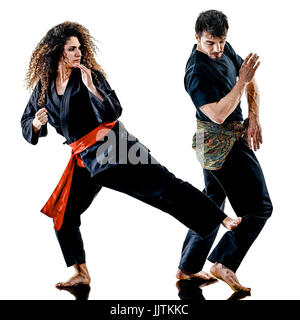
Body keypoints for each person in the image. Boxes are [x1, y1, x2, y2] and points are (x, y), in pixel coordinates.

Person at [21, 21, 241, 288]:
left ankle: (220, 218)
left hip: (116, 146)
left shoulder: (89, 76)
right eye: (71, 48)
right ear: (58, 52)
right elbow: (26, 121)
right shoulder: (44, 88)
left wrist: (93, 89)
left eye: (79, 47)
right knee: (64, 215)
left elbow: (114, 111)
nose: (78, 53)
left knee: (163, 185)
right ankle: (81, 272)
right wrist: (35, 124)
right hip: (84, 160)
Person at [176, 10, 273, 294]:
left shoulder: (224, 49)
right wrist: (241, 82)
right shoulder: (196, 72)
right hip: (221, 146)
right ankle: (222, 262)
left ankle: (188, 267)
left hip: (230, 138)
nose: (217, 49)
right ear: (197, 38)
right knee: (259, 208)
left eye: (221, 41)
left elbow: (249, 77)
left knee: (212, 202)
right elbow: (218, 114)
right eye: (210, 43)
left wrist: (253, 117)